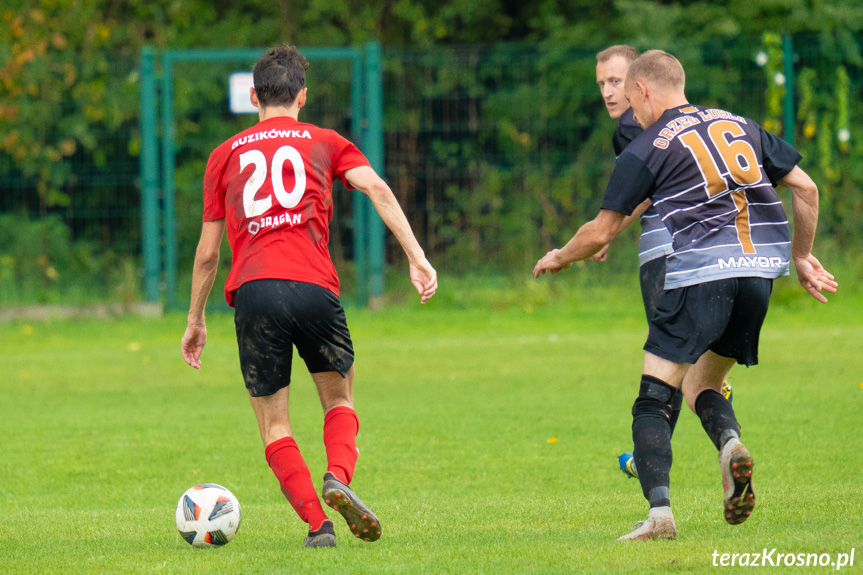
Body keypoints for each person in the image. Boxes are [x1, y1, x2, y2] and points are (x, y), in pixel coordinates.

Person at [534, 50, 836, 540]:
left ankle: (659, 517)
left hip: (695, 275)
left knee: (654, 399)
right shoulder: (741, 125)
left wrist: (561, 255)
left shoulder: (647, 144)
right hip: (758, 280)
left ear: (646, 91)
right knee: (704, 386)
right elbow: (806, 188)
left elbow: (601, 230)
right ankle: (731, 445)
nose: (630, 110)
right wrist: (801, 256)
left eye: (630, 96)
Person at [180, 44, 438, 548]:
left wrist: (196, 319)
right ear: (303, 96)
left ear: (254, 95)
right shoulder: (325, 141)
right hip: (315, 287)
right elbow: (377, 189)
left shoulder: (224, 155)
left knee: (275, 424)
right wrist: (416, 256)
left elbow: (208, 254)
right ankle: (338, 475)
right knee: (339, 398)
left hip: (254, 293)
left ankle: (318, 525)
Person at [595, 45, 733, 480]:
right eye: (600, 84)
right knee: (695, 369)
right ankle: (729, 443)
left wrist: (608, 231)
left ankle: (652, 462)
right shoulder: (696, 119)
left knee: (667, 366)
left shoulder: (631, 126)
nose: (608, 92)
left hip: (668, 252)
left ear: (640, 83)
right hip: (724, 253)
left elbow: (648, 189)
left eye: (616, 82)